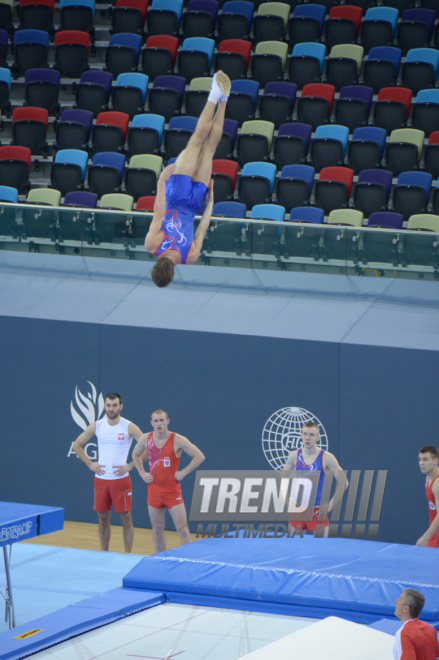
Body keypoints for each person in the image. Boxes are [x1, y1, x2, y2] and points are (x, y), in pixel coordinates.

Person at [144, 71, 231, 287]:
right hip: (176, 194)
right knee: (196, 141)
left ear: (173, 273)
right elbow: (160, 212)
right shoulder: (152, 245)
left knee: (209, 148)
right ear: (155, 267)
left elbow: (202, 227)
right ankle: (214, 94)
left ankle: (223, 100)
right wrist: (161, 183)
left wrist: (210, 203)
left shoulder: (189, 258)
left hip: (194, 204)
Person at [72, 393, 144, 553]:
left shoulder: (129, 426)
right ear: (104, 406)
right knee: (103, 520)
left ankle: (128, 555)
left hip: (121, 480)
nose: (111, 409)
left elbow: (148, 447)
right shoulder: (97, 425)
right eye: (108, 405)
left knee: (126, 520)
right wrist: (90, 463)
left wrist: (131, 465)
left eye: (114, 405)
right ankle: (104, 553)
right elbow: (77, 445)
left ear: (121, 406)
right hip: (101, 480)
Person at [132, 408, 205, 552]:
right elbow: (135, 455)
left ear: (167, 422)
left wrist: (184, 472)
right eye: (156, 421)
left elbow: (199, 456)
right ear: (151, 423)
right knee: (157, 529)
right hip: (154, 490)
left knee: (183, 530)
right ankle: (161, 559)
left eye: (162, 420)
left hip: (172, 491)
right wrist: (142, 473)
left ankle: (189, 560)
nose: (159, 423)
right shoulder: (145, 438)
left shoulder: (177, 440)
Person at [281, 421, 347, 537]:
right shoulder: (294, 455)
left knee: (323, 550)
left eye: (311, 435)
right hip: (298, 510)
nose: (307, 438)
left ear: (317, 438)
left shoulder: (326, 457)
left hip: (317, 511)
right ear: (301, 435)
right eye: (305, 434)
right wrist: (287, 499)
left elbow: (344, 482)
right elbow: (283, 477)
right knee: (294, 550)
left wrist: (330, 505)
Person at [394, 588, 439, 660]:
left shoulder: (404, 633)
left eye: (400, 599)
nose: (396, 601)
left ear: (406, 608)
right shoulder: (430, 629)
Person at [416, 445, 439, 547]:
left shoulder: (437, 483)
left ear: (435, 461)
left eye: (425, 459)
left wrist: (425, 537)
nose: (421, 463)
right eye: (420, 459)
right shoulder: (428, 479)